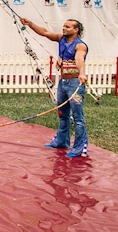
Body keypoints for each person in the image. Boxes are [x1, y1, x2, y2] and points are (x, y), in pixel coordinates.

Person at [20, 17, 89, 157]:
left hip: (75, 83)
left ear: (76, 30)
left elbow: (79, 59)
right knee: (62, 114)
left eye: (68, 27)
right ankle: (62, 142)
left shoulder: (80, 45)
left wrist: (82, 73)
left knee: (77, 117)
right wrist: (30, 23)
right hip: (63, 83)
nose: (64, 28)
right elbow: (45, 32)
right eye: (64, 26)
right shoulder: (61, 38)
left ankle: (80, 148)